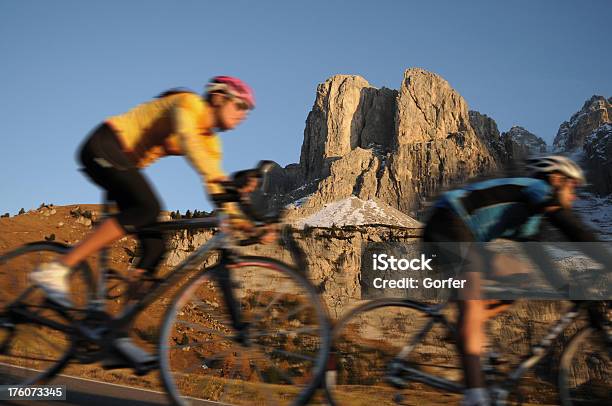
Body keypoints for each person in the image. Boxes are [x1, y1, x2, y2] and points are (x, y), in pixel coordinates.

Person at [30, 76, 259, 308]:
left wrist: (242, 221)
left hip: (124, 165)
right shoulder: (188, 104)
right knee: (148, 208)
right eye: (240, 105)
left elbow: (216, 188)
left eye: (247, 111)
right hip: (104, 144)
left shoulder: (211, 141)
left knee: (155, 247)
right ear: (219, 98)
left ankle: (118, 326)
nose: (243, 114)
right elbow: (188, 140)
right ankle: (58, 268)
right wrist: (218, 179)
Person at [422, 155, 612, 406]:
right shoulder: (537, 189)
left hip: (465, 233)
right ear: (556, 179)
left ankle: (468, 328)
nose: (575, 196)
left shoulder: (530, 221)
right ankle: (475, 396)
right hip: (448, 223)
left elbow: (542, 262)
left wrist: (570, 291)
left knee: (520, 274)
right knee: (473, 299)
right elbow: (573, 229)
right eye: (573, 186)